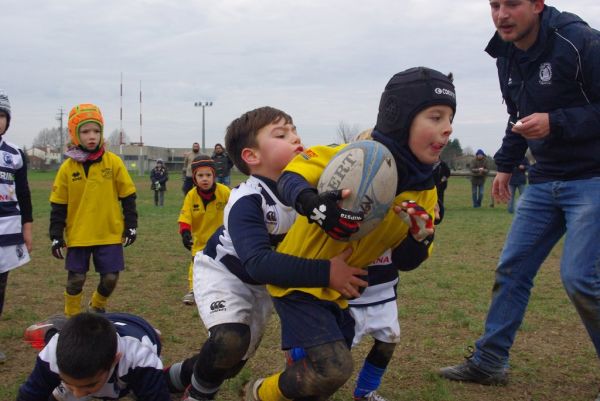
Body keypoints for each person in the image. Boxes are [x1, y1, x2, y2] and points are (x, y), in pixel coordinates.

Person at [244, 66, 454, 401]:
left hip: (341, 290)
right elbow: (292, 176)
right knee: (333, 368)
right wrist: (318, 207)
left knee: (320, 369)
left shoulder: (424, 192)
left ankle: (274, 389)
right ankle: (260, 393)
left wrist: (421, 238)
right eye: (436, 116)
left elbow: (405, 261)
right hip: (299, 280)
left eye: (450, 119)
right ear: (400, 117)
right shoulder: (355, 154)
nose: (447, 129)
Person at [439, 0, 600, 392]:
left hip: (593, 178)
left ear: (538, 4)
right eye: (494, 5)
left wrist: (557, 122)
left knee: (580, 278)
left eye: (512, 4)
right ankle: (490, 361)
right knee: (512, 270)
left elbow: (550, 119)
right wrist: (507, 164)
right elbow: (518, 114)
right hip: (544, 180)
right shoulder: (505, 53)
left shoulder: (581, 42)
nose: (501, 15)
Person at [164, 106, 367, 401]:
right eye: (282, 134)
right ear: (252, 156)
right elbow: (259, 262)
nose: (296, 138)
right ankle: (196, 395)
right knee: (230, 340)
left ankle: (169, 377)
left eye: (295, 130)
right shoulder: (248, 198)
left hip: (266, 284)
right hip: (226, 273)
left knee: (230, 363)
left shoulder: (310, 191)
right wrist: (327, 272)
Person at [49, 104, 138, 317]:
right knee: (76, 280)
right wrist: (55, 236)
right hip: (79, 235)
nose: (92, 136)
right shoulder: (67, 168)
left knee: (110, 278)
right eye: (85, 131)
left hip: (108, 233)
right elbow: (58, 205)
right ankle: (71, 318)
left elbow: (128, 196)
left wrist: (131, 226)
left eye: (96, 131)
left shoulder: (113, 162)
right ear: (74, 134)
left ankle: (97, 306)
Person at [18, 312, 170, 400]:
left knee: (134, 389)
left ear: (114, 360)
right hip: (100, 322)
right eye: (67, 381)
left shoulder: (141, 360)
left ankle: (152, 332)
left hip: (137, 327)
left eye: (89, 384)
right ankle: (53, 328)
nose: (78, 394)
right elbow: (29, 395)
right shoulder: (52, 353)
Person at [0, 90, 32, 363]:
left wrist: (27, 228)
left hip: (7, 232)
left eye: (2, 115)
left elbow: (24, 193)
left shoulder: (15, 155)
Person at [177, 155, 230, 305]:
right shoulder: (191, 196)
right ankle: (194, 290)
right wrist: (185, 233)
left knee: (224, 266)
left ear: (214, 176)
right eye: (200, 175)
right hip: (200, 240)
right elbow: (185, 216)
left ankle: (224, 290)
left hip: (222, 240)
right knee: (196, 265)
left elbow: (236, 208)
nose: (205, 179)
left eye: (208, 175)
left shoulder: (224, 191)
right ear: (194, 177)